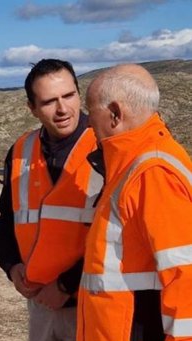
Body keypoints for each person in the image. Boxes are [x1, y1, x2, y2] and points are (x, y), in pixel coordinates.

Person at [78, 64, 192, 341]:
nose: (89, 123)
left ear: (115, 114)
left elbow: (185, 275)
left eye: (91, 112)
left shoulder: (151, 173)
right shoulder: (132, 164)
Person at [0, 59, 103, 341]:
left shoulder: (107, 146)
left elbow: (122, 234)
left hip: (96, 302)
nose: (63, 109)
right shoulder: (21, 151)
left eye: (69, 96)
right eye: (48, 102)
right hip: (41, 304)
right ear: (32, 108)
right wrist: (11, 265)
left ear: (80, 94)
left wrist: (66, 285)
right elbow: (7, 218)